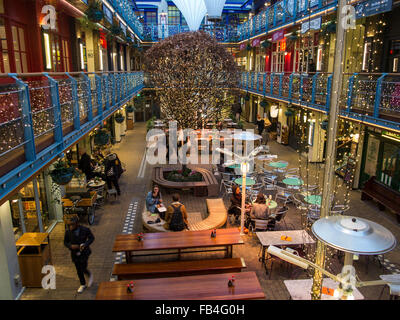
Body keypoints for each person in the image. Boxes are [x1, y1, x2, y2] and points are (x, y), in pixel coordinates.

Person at [64, 216, 95, 293]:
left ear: (77, 224)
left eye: (72, 224)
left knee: (83, 267)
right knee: (78, 269)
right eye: (69, 225)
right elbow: (65, 242)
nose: (70, 226)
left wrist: (85, 244)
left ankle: (89, 274)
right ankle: (83, 284)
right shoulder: (68, 232)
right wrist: (70, 246)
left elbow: (91, 238)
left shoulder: (85, 230)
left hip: (84, 252)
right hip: (74, 253)